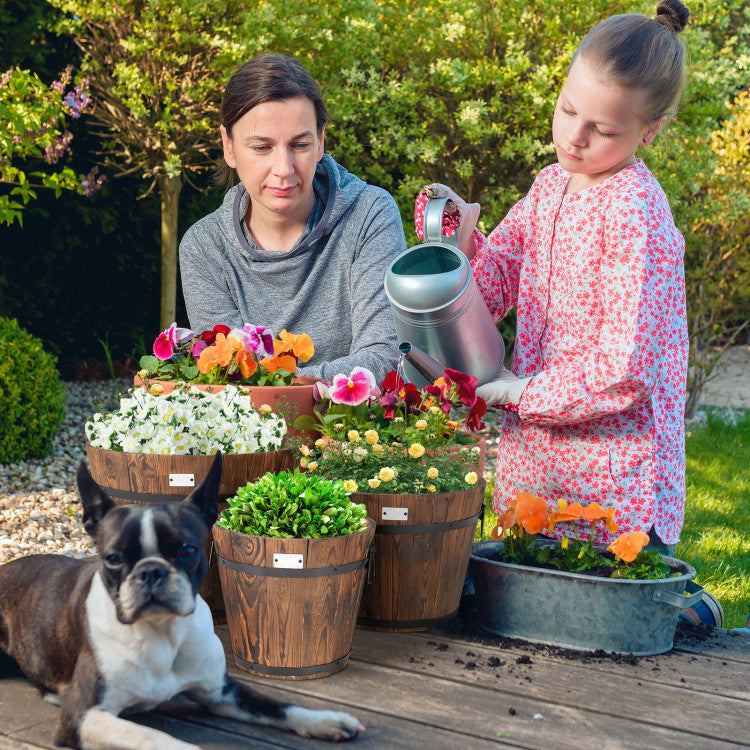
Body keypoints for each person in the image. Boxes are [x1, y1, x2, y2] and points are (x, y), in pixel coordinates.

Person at [414, 1, 692, 556]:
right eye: (567, 110)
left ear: (650, 130)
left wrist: (524, 390)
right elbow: (491, 289)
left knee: (605, 610)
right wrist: (455, 243)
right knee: (525, 602)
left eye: (602, 129)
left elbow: (626, 370)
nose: (574, 137)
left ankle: (686, 609)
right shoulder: (549, 187)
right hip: (539, 462)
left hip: (615, 472)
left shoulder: (637, 215)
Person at [180, 54, 407, 382]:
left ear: (320, 142)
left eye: (300, 145)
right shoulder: (204, 249)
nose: (284, 169)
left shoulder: (370, 215)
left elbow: (385, 356)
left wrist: (280, 387)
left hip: (358, 431)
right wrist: (312, 387)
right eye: (262, 148)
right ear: (228, 147)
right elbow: (226, 376)